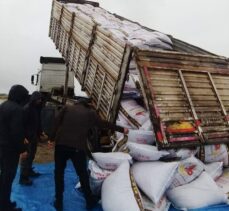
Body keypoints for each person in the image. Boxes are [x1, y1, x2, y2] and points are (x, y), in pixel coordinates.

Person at [49, 98, 128, 211]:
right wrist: (121, 129)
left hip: (61, 145)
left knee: (59, 173)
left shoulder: (67, 108)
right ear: (88, 105)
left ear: (77, 103)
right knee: (82, 175)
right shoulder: (90, 113)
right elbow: (102, 124)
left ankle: (59, 201)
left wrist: (51, 138)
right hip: (77, 147)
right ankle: (89, 200)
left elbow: (56, 121)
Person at [0, 85, 29, 211]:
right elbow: (16, 133)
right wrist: (22, 149)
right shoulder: (17, 109)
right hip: (10, 149)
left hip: (2, 146)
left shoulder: (4, 105)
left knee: (3, 176)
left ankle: (3, 202)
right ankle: (5, 206)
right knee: (8, 177)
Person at [19, 91, 43, 185]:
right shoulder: (27, 109)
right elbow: (21, 124)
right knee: (26, 158)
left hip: (33, 137)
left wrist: (40, 132)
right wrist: (23, 137)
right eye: (38, 99)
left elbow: (37, 122)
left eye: (41, 99)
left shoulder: (36, 108)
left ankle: (29, 171)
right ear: (34, 99)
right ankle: (23, 178)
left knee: (32, 155)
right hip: (27, 138)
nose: (40, 101)